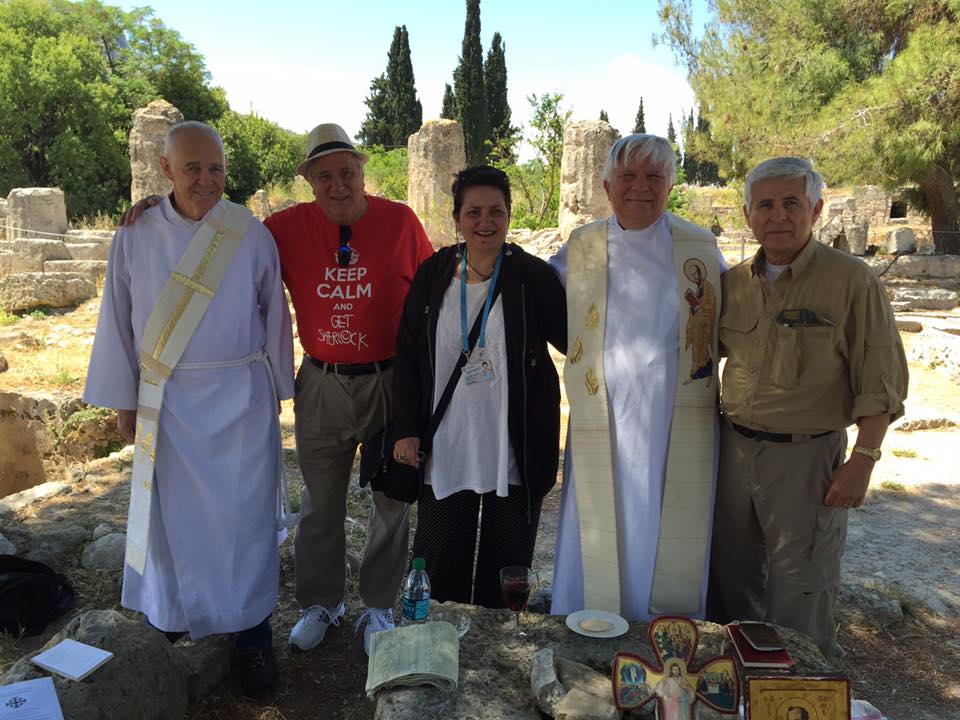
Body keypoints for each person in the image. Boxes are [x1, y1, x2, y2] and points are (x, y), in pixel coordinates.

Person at [120, 123, 434, 655]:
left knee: (391, 501)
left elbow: (432, 289)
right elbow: (212, 232)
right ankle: (321, 601)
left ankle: (379, 604)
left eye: (347, 173)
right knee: (320, 501)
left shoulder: (401, 222)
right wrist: (159, 205)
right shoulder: (283, 228)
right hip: (322, 382)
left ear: (362, 173)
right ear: (310, 181)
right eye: (325, 176)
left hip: (389, 381)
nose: (338, 185)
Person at [85, 121, 294, 699]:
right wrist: (123, 400)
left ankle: (252, 636)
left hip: (240, 401)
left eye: (216, 168)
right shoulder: (134, 234)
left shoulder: (247, 233)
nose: (206, 179)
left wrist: (278, 390)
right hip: (167, 406)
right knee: (169, 521)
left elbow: (274, 312)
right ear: (166, 169)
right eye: (193, 168)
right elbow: (117, 317)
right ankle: (169, 620)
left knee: (245, 522)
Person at [708, 157, 908, 662]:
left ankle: (805, 686)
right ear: (749, 215)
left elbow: (881, 381)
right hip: (732, 451)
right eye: (765, 205)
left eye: (791, 203)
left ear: (816, 210)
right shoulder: (733, 283)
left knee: (802, 588)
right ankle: (740, 683)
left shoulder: (851, 281)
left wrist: (864, 460)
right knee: (731, 581)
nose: (778, 215)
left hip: (806, 460)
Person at [551, 134, 726, 621]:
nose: (640, 187)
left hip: (674, 416)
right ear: (607, 185)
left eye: (654, 177)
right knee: (598, 516)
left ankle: (662, 624)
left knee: (664, 518)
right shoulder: (581, 247)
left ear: (671, 184)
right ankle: (586, 615)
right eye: (627, 176)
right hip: (601, 414)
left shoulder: (699, 248)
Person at [392, 166, 566, 607]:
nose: (485, 222)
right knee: (439, 570)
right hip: (448, 446)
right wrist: (405, 429)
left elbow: (575, 338)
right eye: (473, 212)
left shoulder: (532, 277)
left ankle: (498, 644)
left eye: (495, 211)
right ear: (457, 218)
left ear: (509, 216)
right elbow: (408, 356)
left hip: (513, 448)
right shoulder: (433, 275)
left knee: (505, 575)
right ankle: (439, 641)